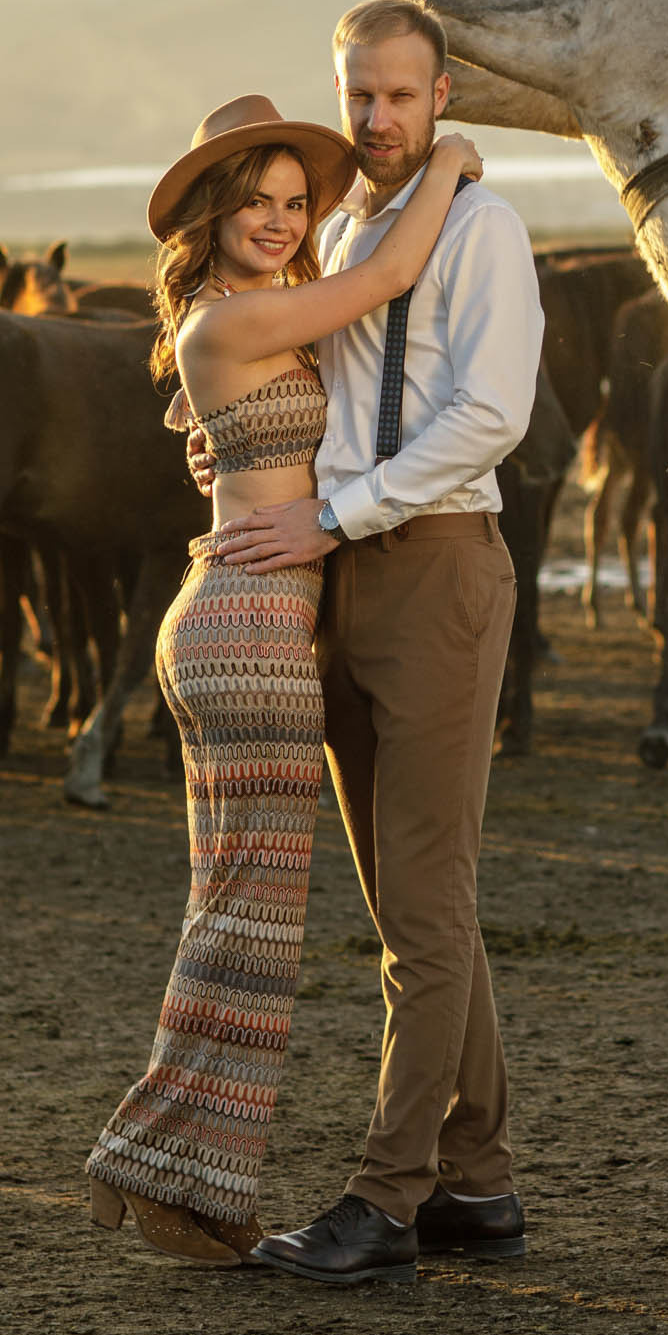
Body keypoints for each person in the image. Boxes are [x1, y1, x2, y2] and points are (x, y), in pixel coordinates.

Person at [86, 91, 482, 1266]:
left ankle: (182, 1178)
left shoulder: (238, 318)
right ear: (206, 216)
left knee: (241, 915)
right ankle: (174, 1180)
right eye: (251, 201)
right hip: (245, 632)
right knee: (246, 924)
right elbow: (381, 277)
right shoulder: (227, 324)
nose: (274, 218)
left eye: (292, 202)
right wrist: (449, 157)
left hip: (243, 622)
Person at [204, 0, 543, 1290]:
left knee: (425, 906)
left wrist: (342, 514)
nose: (379, 119)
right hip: (335, 573)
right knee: (417, 903)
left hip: (439, 567)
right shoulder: (346, 231)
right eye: (359, 97)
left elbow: (489, 414)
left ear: (443, 95)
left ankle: (389, 1196)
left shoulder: (484, 228)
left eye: (401, 96)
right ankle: (481, 1182)